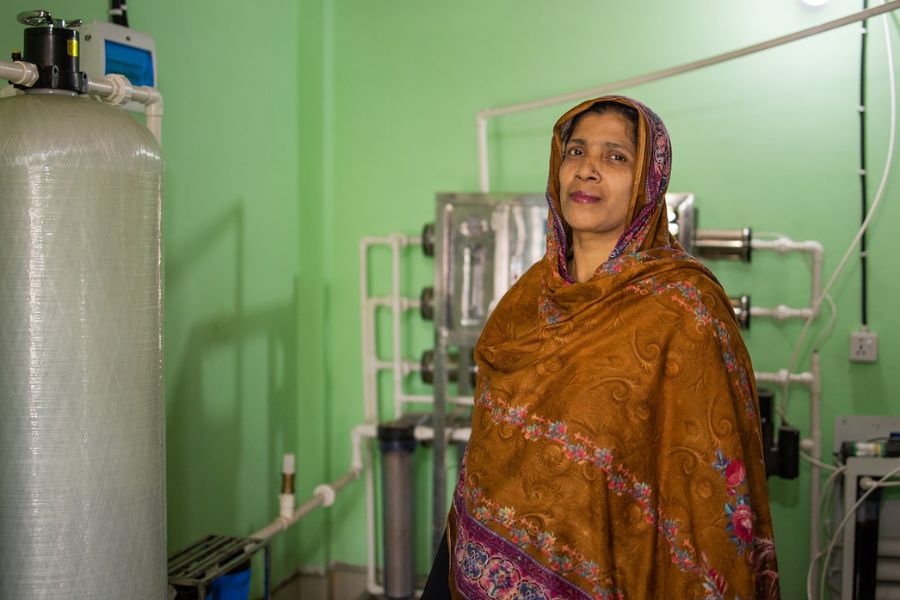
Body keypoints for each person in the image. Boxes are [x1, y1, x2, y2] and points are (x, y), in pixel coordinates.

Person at [423, 96, 780, 599]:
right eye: (575, 152)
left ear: (647, 182)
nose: (587, 170)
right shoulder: (526, 301)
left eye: (615, 157)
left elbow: (706, 487)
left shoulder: (684, 312)